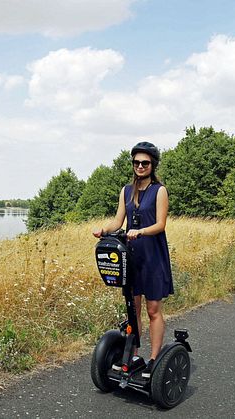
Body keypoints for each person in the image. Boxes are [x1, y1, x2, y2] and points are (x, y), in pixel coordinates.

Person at [93, 141, 174, 378]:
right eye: (137, 162)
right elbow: (118, 221)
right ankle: (134, 355)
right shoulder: (126, 191)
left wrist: (141, 231)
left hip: (152, 255)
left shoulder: (160, 191)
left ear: (152, 165)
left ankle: (153, 360)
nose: (140, 166)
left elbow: (160, 224)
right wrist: (103, 230)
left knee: (153, 309)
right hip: (131, 256)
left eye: (145, 163)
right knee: (133, 308)